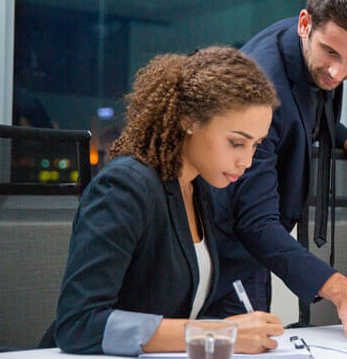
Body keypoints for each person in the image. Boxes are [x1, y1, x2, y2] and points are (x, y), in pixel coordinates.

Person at [54, 46, 285, 356]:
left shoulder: (197, 189)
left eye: (255, 145)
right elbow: (79, 324)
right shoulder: (124, 187)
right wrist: (219, 332)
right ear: (189, 120)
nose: (246, 161)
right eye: (236, 142)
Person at [208, 0, 347, 347]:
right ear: (305, 24)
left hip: (255, 242)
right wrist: (341, 290)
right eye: (330, 52)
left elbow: (308, 104)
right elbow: (254, 222)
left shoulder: (317, 49)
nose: (338, 71)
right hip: (223, 248)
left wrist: (341, 136)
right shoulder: (261, 91)